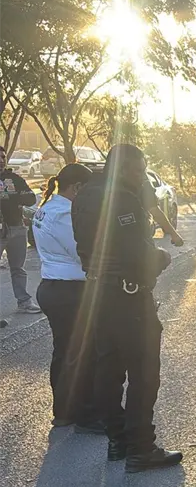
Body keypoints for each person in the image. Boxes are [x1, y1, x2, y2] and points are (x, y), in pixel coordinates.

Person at [72, 144, 180, 472]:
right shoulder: (123, 199)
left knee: (108, 368)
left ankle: (117, 439)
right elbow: (138, 253)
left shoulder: (85, 195)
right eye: (137, 170)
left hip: (96, 293)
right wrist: (161, 257)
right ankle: (141, 448)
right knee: (144, 373)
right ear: (122, 169)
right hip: (127, 295)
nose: (140, 176)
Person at [33, 163, 106, 431]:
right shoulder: (65, 213)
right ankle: (86, 416)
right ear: (77, 188)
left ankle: (64, 411)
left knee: (65, 352)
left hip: (54, 287)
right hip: (70, 290)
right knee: (83, 354)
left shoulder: (48, 208)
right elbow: (81, 251)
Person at [0, 145, 42, 314]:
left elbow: (30, 198)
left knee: (18, 268)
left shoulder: (14, 178)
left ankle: (24, 301)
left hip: (17, 228)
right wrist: (14, 197)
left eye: (3, 157)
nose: (1, 160)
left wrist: (11, 197)